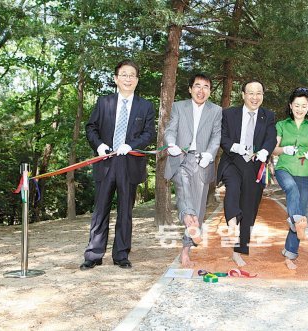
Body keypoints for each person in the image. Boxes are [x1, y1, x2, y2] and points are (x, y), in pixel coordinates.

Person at [81, 60, 156, 270]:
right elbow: (91, 128)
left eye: (132, 75)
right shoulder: (104, 102)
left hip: (129, 163)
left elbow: (149, 133)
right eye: (124, 74)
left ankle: (121, 255)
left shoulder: (145, 105)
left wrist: (131, 145)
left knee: (125, 211)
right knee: (100, 210)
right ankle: (93, 255)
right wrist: (99, 146)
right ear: (116, 79)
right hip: (105, 162)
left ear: (137, 80)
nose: (128, 78)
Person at [164, 73, 222, 268]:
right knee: (182, 190)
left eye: (206, 86)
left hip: (202, 161)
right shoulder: (179, 107)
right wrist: (170, 143)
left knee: (198, 208)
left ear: (210, 91)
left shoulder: (216, 110)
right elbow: (170, 129)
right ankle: (188, 219)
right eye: (197, 86)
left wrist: (210, 154)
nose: (201, 90)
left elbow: (216, 136)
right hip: (180, 159)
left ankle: (186, 248)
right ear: (190, 89)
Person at [217, 80, 277, 267]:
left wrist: (265, 152)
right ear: (243, 95)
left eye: (258, 93)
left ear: (262, 96)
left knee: (250, 207)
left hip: (254, 164)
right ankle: (232, 220)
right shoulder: (229, 114)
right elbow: (222, 137)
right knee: (233, 186)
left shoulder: (268, 116)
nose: (254, 97)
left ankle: (239, 249)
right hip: (233, 160)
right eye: (250, 93)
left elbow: (271, 138)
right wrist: (236, 147)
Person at [273, 87, 308, 270]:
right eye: (297, 105)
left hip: (305, 170)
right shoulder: (282, 125)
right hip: (285, 167)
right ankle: (295, 222)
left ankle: (290, 254)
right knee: (291, 189)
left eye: (304, 105)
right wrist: (284, 149)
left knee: (300, 214)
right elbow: (274, 148)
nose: (300, 109)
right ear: (290, 106)